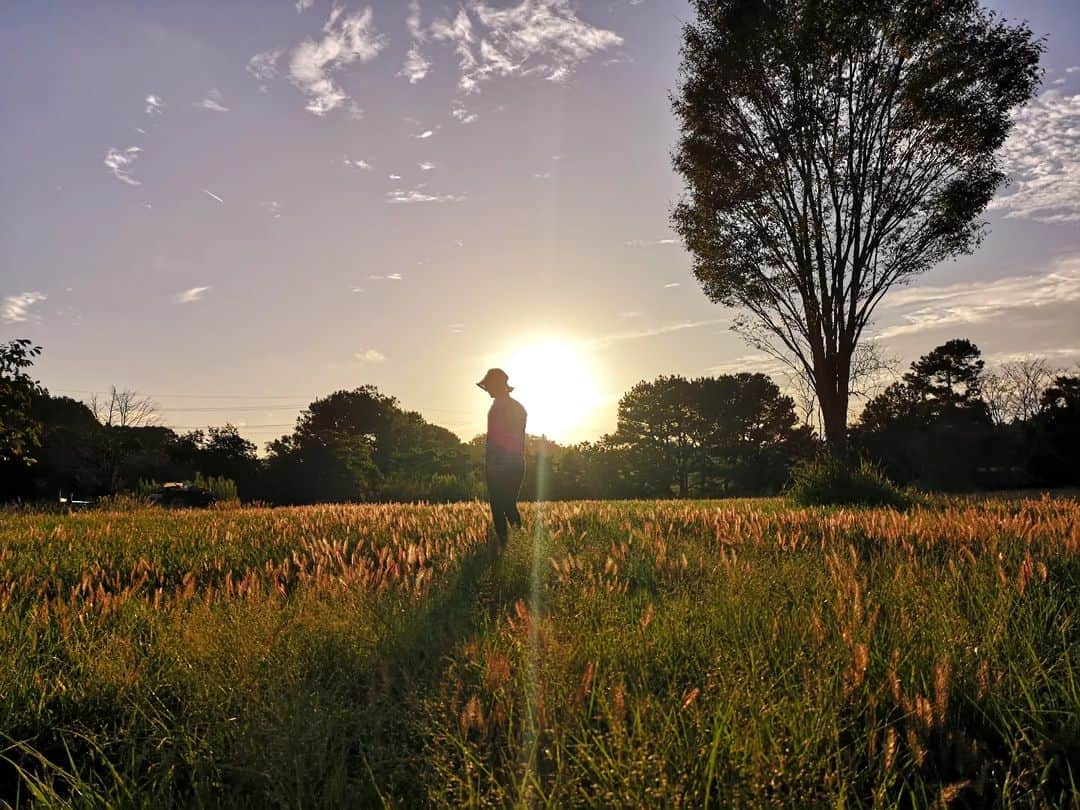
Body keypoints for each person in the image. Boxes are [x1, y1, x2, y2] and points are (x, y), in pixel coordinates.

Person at [477, 367, 527, 548]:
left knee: (499, 506)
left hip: (500, 464)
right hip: (515, 463)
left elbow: (498, 438)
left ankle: (505, 545)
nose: (487, 389)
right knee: (508, 504)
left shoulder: (499, 408)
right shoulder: (517, 407)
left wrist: (493, 462)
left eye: (489, 385)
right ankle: (518, 544)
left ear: (495, 385)